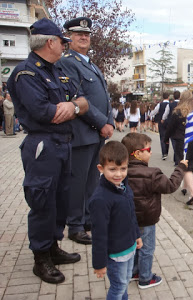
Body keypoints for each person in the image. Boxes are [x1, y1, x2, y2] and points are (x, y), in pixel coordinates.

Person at [7, 18, 89, 283]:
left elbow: (81, 102)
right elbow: (44, 112)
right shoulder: (26, 73)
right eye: (62, 42)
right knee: (43, 202)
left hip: (63, 144)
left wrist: (74, 107)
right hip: (43, 146)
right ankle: (40, 258)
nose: (65, 46)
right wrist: (69, 108)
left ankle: (53, 246)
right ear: (50, 42)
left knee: (61, 200)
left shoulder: (55, 71)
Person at [57, 17, 115, 245]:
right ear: (68, 38)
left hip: (96, 133)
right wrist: (102, 123)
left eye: (87, 34)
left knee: (92, 180)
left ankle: (88, 219)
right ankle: (75, 225)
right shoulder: (68, 63)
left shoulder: (90, 64)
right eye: (79, 34)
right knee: (77, 182)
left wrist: (108, 121)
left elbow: (104, 99)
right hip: (81, 133)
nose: (84, 37)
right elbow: (77, 100)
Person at [121, 133, 187, 289]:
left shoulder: (121, 172)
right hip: (147, 219)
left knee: (135, 247)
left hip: (128, 218)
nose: (151, 152)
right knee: (146, 249)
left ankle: (134, 272)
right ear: (137, 153)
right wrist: (181, 168)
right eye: (148, 149)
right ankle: (145, 278)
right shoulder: (152, 174)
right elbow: (171, 186)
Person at [89, 141, 143, 299]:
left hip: (129, 247)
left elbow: (131, 214)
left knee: (125, 282)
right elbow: (99, 234)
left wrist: (137, 235)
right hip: (115, 255)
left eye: (123, 169)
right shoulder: (100, 199)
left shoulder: (124, 187)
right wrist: (99, 264)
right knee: (118, 286)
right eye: (112, 169)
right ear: (101, 168)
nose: (118, 174)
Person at [164, 90, 193, 204]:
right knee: (189, 165)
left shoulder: (177, 112)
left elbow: (170, 128)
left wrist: (166, 139)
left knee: (186, 168)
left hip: (181, 142)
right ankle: (184, 188)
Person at [151, 93, 170, 159]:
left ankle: (164, 153)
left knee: (162, 137)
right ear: (168, 97)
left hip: (161, 122)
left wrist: (151, 115)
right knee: (167, 138)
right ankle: (167, 151)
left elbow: (154, 111)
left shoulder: (160, 104)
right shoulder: (171, 104)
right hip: (169, 123)